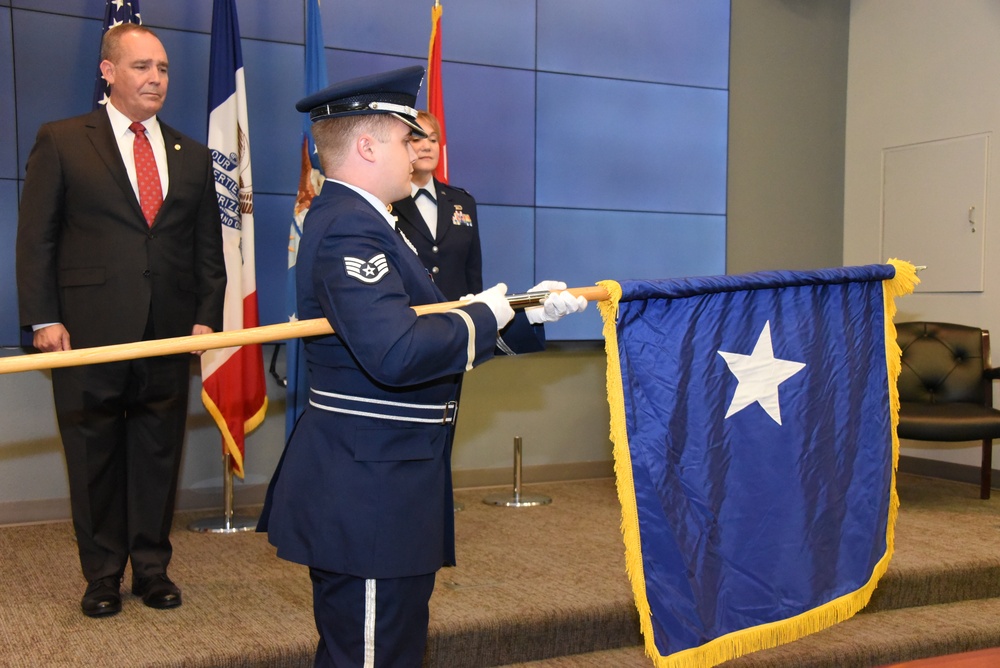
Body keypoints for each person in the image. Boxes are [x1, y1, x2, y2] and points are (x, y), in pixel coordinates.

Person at [257, 65, 587, 667]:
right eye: (405, 140)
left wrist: (523, 315)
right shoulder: (348, 230)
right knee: (373, 654)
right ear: (365, 146)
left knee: (395, 643)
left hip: (390, 473)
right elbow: (398, 351)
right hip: (368, 485)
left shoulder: (370, 221)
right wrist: (486, 315)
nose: (417, 153)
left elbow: (428, 326)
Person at [15, 23, 226, 618]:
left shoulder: (191, 154)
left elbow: (207, 248)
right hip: (85, 332)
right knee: (94, 454)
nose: (155, 78)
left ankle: (153, 569)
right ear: (108, 71)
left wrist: (207, 319)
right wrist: (42, 319)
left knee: (159, 451)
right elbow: (37, 240)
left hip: (169, 330)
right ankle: (103, 575)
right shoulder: (61, 140)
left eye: (161, 68)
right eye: (141, 67)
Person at [389, 110, 481, 300]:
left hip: (458, 317)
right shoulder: (388, 202)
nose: (427, 147)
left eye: (432, 140)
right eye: (416, 139)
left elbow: (472, 274)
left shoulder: (463, 202)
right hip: (412, 318)